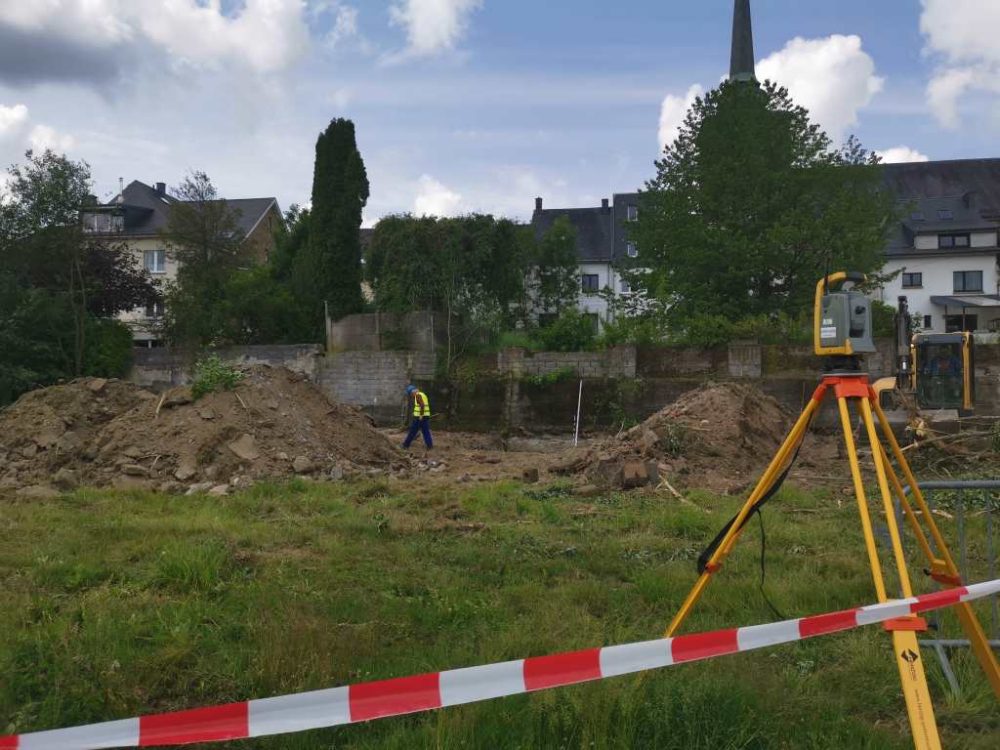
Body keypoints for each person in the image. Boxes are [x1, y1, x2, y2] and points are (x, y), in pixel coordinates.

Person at [402, 384, 433, 450]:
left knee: (412, 431)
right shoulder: (422, 394)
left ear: (413, 392)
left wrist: (420, 415)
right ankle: (429, 445)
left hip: (420, 418)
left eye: (410, 394)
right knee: (426, 431)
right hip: (425, 416)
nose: (411, 396)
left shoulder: (418, 395)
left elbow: (422, 405)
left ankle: (405, 445)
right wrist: (416, 413)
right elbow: (421, 406)